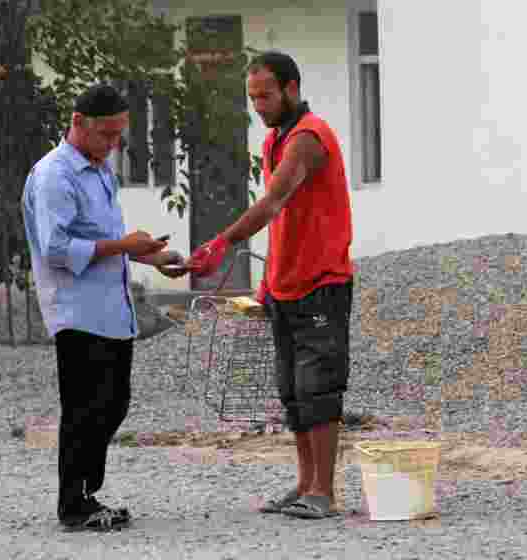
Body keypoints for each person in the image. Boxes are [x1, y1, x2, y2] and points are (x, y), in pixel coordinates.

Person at [188, 50, 354, 520]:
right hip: (283, 285)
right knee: (291, 390)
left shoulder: (309, 138)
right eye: (252, 98)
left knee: (318, 387)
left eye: (265, 96)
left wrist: (222, 242)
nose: (258, 106)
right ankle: (304, 484)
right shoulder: (273, 140)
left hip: (321, 283)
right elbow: (284, 225)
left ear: (291, 89)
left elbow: (274, 203)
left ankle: (324, 492)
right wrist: (267, 283)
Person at [22, 84, 188, 531]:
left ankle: (87, 493)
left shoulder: (100, 171)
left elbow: (104, 242)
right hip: (76, 310)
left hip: (111, 309)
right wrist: (125, 245)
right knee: (84, 408)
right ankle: (73, 503)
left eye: (119, 135)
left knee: (113, 404)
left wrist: (150, 257)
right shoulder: (55, 175)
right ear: (77, 123)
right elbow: (57, 248)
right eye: (106, 134)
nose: (113, 144)